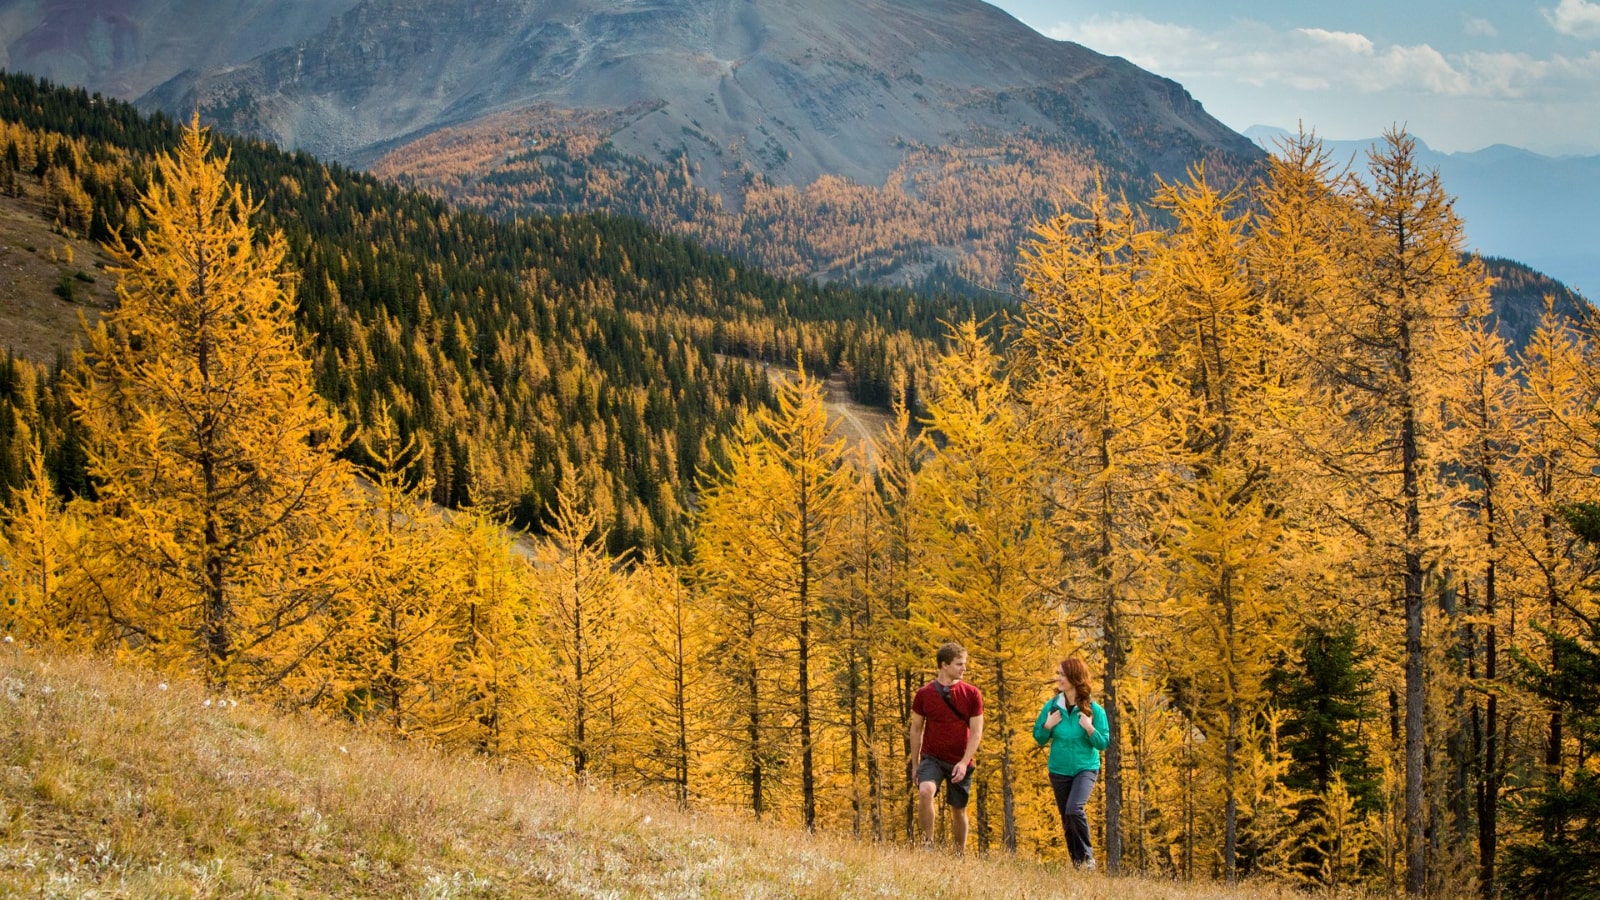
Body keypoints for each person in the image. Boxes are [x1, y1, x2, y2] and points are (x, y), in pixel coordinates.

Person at [1033, 656, 1109, 870]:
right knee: (1067, 818)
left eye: (1063, 675)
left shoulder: (1094, 710)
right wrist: (1047, 726)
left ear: (1075, 678)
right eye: (1058, 674)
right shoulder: (1051, 707)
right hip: (1059, 769)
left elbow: (1103, 743)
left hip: (1085, 768)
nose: (1058, 678)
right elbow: (1038, 737)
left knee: (1074, 809)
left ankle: (1088, 858)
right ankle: (1078, 864)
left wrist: (1089, 728)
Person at [907, 641, 984, 852]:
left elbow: (976, 732)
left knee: (958, 810)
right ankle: (928, 844)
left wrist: (964, 761)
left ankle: (959, 853)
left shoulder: (972, 694)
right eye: (959, 664)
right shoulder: (924, 694)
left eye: (964, 663)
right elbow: (916, 729)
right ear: (944, 665)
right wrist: (915, 765)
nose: (964, 668)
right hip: (932, 757)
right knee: (925, 791)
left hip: (960, 759)